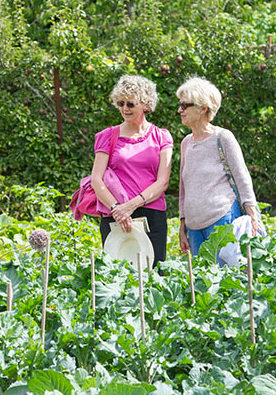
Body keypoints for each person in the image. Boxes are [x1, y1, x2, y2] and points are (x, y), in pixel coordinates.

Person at [90, 75, 173, 266]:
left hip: (152, 213)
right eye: (120, 103)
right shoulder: (107, 136)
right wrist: (116, 209)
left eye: (130, 104)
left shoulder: (161, 136)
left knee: (154, 274)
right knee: (118, 276)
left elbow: (162, 182)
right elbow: (97, 180)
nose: (124, 109)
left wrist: (131, 206)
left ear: (145, 104)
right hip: (116, 216)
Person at [176, 76, 261, 257]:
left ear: (203, 108)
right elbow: (184, 189)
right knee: (202, 282)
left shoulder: (222, 137)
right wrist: (182, 225)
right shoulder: (186, 143)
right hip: (193, 227)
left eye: (184, 106)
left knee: (225, 281)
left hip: (222, 219)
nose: (179, 110)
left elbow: (242, 178)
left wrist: (253, 217)